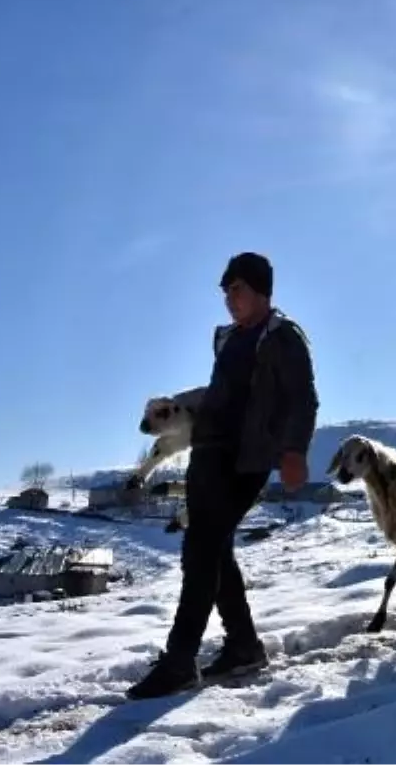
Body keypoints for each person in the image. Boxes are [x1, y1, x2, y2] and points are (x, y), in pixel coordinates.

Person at [126, 252, 319, 700]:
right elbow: (220, 396)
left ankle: (179, 662)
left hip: (246, 458)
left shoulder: (283, 337)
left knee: (201, 551)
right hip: (208, 454)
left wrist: (293, 451)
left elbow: (303, 398)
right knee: (213, 551)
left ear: (261, 291)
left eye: (238, 290)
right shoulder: (228, 339)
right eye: (226, 291)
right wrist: (176, 405)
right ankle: (243, 645)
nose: (230, 299)